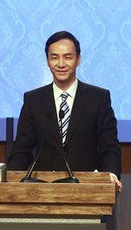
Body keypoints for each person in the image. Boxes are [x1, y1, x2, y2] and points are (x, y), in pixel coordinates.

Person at [7, 31, 122, 191]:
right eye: (54, 57)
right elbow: (22, 149)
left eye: (68, 57)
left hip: (86, 189)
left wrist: (111, 173)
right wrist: (10, 182)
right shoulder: (34, 100)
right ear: (47, 61)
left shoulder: (98, 98)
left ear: (78, 60)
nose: (61, 64)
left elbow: (108, 145)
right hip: (43, 190)